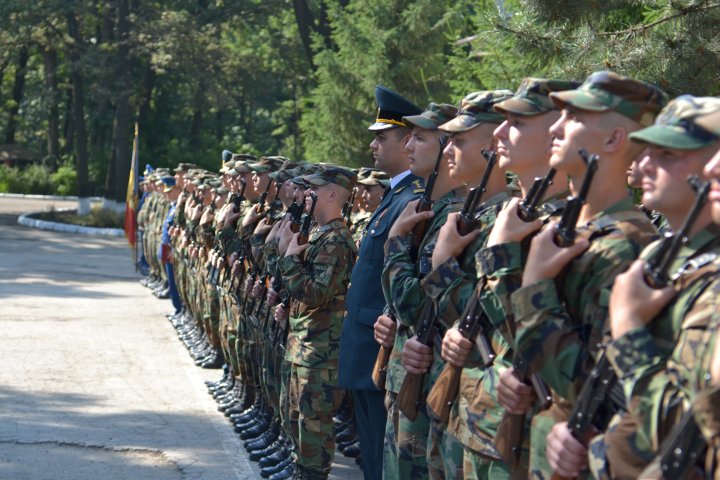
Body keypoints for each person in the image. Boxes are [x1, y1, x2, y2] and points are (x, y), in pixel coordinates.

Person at [495, 71, 666, 479]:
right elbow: (521, 343)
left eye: (574, 117)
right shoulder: (574, 231)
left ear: (612, 140)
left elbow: (594, 385)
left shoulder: (625, 245)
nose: (556, 125)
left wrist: (532, 281)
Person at [575, 95, 720, 479]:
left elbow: (687, 428)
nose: (643, 166)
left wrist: (628, 327)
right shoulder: (661, 256)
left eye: (668, 154)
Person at [338, 85, 424, 480]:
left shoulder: (411, 198)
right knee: (372, 453)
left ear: (407, 139)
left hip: (381, 345)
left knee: (379, 456)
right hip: (366, 342)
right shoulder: (394, 196)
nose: (373, 145)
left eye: (381, 137)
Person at [373, 102, 463, 479]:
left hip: (426, 385)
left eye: (420, 137)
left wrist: (394, 242)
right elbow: (406, 305)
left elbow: (419, 304)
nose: (408, 145)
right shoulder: (428, 207)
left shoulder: (454, 215)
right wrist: (389, 318)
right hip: (405, 377)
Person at [274, 167, 359, 479]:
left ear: (332, 194)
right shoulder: (318, 233)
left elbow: (316, 293)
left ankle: (310, 474)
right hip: (303, 341)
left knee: (314, 424)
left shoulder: (336, 239)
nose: (306, 195)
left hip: (321, 349)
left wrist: (289, 259)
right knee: (295, 414)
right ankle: (300, 469)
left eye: (314, 190)